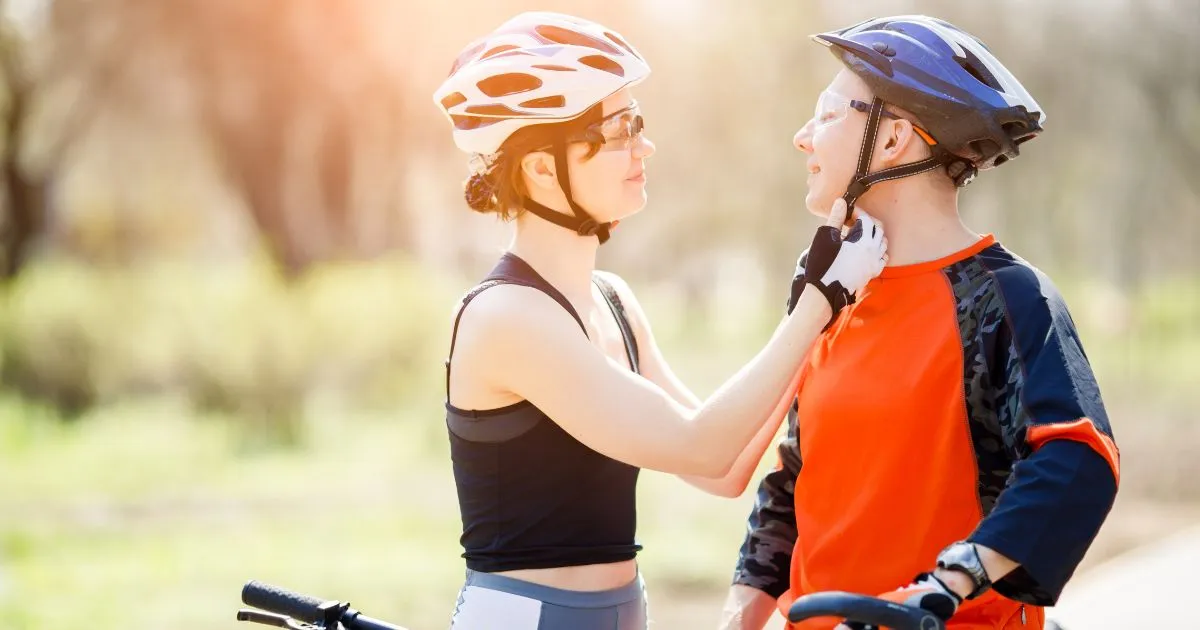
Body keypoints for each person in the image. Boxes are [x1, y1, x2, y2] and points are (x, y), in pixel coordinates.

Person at [432, 12, 889, 630]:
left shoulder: (614, 301)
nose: (643, 145)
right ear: (541, 169)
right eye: (618, 129)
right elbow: (700, 444)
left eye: (638, 122)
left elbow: (724, 470)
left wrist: (815, 309)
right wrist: (817, 302)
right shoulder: (505, 316)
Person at [716, 15, 1120, 630]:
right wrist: (741, 610)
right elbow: (794, 476)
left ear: (892, 139)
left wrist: (946, 586)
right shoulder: (834, 294)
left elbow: (1079, 461)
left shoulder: (1005, 296)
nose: (802, 137)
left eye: (826, 116)